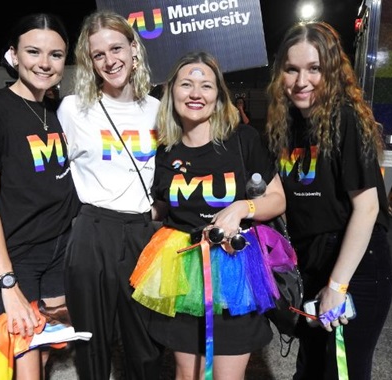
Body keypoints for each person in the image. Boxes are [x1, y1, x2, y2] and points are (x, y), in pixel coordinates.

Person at [129, 51, 287, 379]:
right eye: (186, 84)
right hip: (181, 267)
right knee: (188, 375)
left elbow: (277, 199)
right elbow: (159, 207)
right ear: (172, 93)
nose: (196, 93)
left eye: (206, 85)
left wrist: (244, 207)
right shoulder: (165, 149)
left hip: (233, 268)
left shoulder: (242, 140)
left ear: (218, 96)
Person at [265, 21, 392, 380]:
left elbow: (367, 209)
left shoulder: (345, 118)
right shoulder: (286, 124)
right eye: (292, 69)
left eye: (314, 69)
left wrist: (337, 286)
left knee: (341, 372)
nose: (301, 81)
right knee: (310, 369)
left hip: (355, 266)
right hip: (310, 261)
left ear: (332, 71)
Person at [0, 13, 76, 379]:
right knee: (26, 366)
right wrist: (8, 284)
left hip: (61, 252)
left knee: (48, 351)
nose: (44, 63)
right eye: (33, 51)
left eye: (55, 55)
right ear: (13, 55)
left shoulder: (60, 111)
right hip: (18, 256)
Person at [56, 9, 163, 380]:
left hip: (141, 232)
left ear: (134, 49)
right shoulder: (73, 109)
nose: (110, 61)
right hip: (93, 231)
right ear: (90, 61)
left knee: (146, 342)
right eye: (98, 55)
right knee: (92, 341)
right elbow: (57, 175)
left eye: (116, 48)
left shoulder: (159, 111)